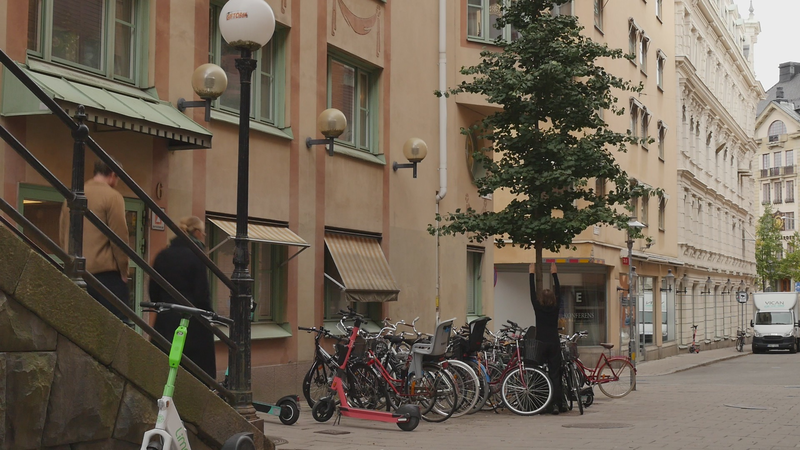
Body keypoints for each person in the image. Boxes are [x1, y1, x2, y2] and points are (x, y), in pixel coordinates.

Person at [60, 160, 131, 324]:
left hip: (77, 271)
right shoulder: (113, 197)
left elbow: (63, 234)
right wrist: (123, 270)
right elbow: (119, 237)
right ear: (113, 175)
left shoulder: (71, 196)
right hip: (105, 274)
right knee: (117, 326)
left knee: (80, 325)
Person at [149, 216, 216, 379]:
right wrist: (210, 317)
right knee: (194, 372)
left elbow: (153, 289)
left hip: (165, 320)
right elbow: (202, 295)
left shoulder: (162, 255)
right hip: (191, 322)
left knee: (163, 369)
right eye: (203, 233)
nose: (203, 237)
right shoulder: (197, 256)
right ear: (197, 233)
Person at [529, 261, 567, 415]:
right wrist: (554, 274)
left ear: (540, 299)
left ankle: (541, 402)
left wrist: (531, 274)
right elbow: (559, 292)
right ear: (553, 299)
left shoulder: (538, 308)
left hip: (540, 343)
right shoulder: (555, 308)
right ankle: (556, 404)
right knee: (554, 374)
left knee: (539, 373)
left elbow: (532, 293)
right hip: (553, 343)